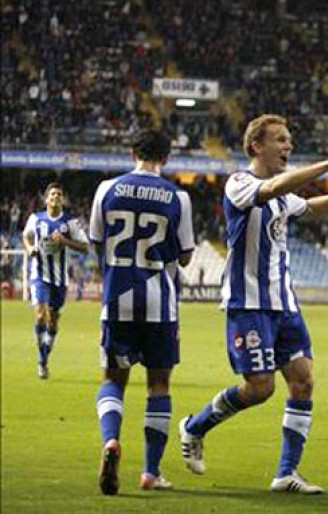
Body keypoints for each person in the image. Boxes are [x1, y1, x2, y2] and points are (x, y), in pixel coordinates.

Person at [178, 114, 328, 492]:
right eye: (280, 140)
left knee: (303, 382)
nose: (288, 146)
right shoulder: (239, 183)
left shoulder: (284, 194)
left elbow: (312, 208)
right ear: (257, 146)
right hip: (248, 303)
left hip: (284, 303)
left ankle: (287, 473)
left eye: (289, 140)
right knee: (260, 388)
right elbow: (269, 190)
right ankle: (194, 426)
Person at [89, 129, 195, 494]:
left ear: (132, 152)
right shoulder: (177, 196)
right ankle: (150, 472)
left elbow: (97, 244)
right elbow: (185, 255)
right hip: (160, 305)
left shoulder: (106, 189)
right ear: (166, 158)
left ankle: (110, 441)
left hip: (117, 300)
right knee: (159, 385)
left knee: (113, 380)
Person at [22, 182, 88, 379]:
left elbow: (85, 247)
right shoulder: (36, 219)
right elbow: (26, 236)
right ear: (46, 199)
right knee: (41, 315)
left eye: (59, 194)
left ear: (63, 199)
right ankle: (42, 361)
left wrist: (65, 241)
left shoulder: (70, 223)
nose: (55, 198)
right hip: (39, 276)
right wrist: (30, 248)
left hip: (60, 280)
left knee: (53, 322)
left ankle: (43, 359)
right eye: (52, 195)